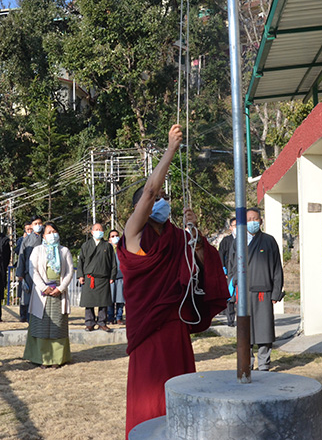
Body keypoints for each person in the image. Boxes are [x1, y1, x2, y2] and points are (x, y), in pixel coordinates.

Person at [117, 124, 228, 437]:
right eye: (159, 198)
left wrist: (197, 237)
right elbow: (150, 190)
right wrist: (171, 150)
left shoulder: (176, 236)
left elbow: (204, 263)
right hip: (149, 332)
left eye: (166, 198)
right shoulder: (134, 234)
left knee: (180, 391)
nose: (163, 201)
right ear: (145, 205)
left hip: (175, 328)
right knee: (150, 397)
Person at [229, 207, 284, 371]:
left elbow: (277, 269)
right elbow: (231, 267)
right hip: (243, 292)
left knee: (264, 330)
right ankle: (247, 363)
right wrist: (232, 290)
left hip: (263, 293)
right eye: (249, 219)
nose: (253, 222)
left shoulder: (269, 240)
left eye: (256, 219)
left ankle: (264, 363)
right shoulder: (238, 241)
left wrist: (275, 292)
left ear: (261, 221)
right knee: (245, 331)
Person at [23, 221, 74, 368]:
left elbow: (70, 272)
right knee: (41, 326)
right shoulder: (37, 250)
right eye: (49, 232)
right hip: (42, 293)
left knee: (58, 326)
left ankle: (57, 359)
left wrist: (61, 288)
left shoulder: (64, 251)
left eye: (54, 232)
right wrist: (43, 287)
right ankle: (41, 358)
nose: (52, 235)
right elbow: (33, 270)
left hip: (59, 292)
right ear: (43, 236)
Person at [77, 223, 116, 332]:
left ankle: (102, 322)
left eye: (101, 229)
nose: (99, 231)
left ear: (103, 232)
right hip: (89, 277)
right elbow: (81, 262)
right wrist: (80, 275)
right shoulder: (86, 245)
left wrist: (112, 276)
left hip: (103, 278)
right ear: (92, 232)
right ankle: (89, 323)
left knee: (103, 303)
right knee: (89, 303)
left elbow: (113, 262)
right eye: (96, 229)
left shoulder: (108, 246)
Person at [16, 215, 44, 322]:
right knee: (28, 297)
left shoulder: (45, 238)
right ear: (32, 226)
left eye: (40, 223)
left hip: (43, 272)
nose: (38, 226)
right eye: (35, 224)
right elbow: (21, 256)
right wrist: (20, 274)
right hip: (29, 272)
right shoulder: (26, 240)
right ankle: (28, 318)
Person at [218, 217, 237, 326]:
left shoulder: (245, 239)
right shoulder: (226, 241)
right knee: (230, 296)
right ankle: (230, 319)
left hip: (241, 271)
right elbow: (221, 255)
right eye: (234, 226)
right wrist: (223, 270)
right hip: (229, 271)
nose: (237, 228)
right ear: (230, 227)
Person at [107, 229, 125, 324]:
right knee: (110, 299)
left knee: (120, 299)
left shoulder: (123, 249)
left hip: (121, 277)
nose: (115, 238)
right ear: (109, 239)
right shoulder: (107, 249)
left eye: (116, 235)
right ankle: (110, 317)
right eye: (112, 236)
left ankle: (119, 317)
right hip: (110, 278)